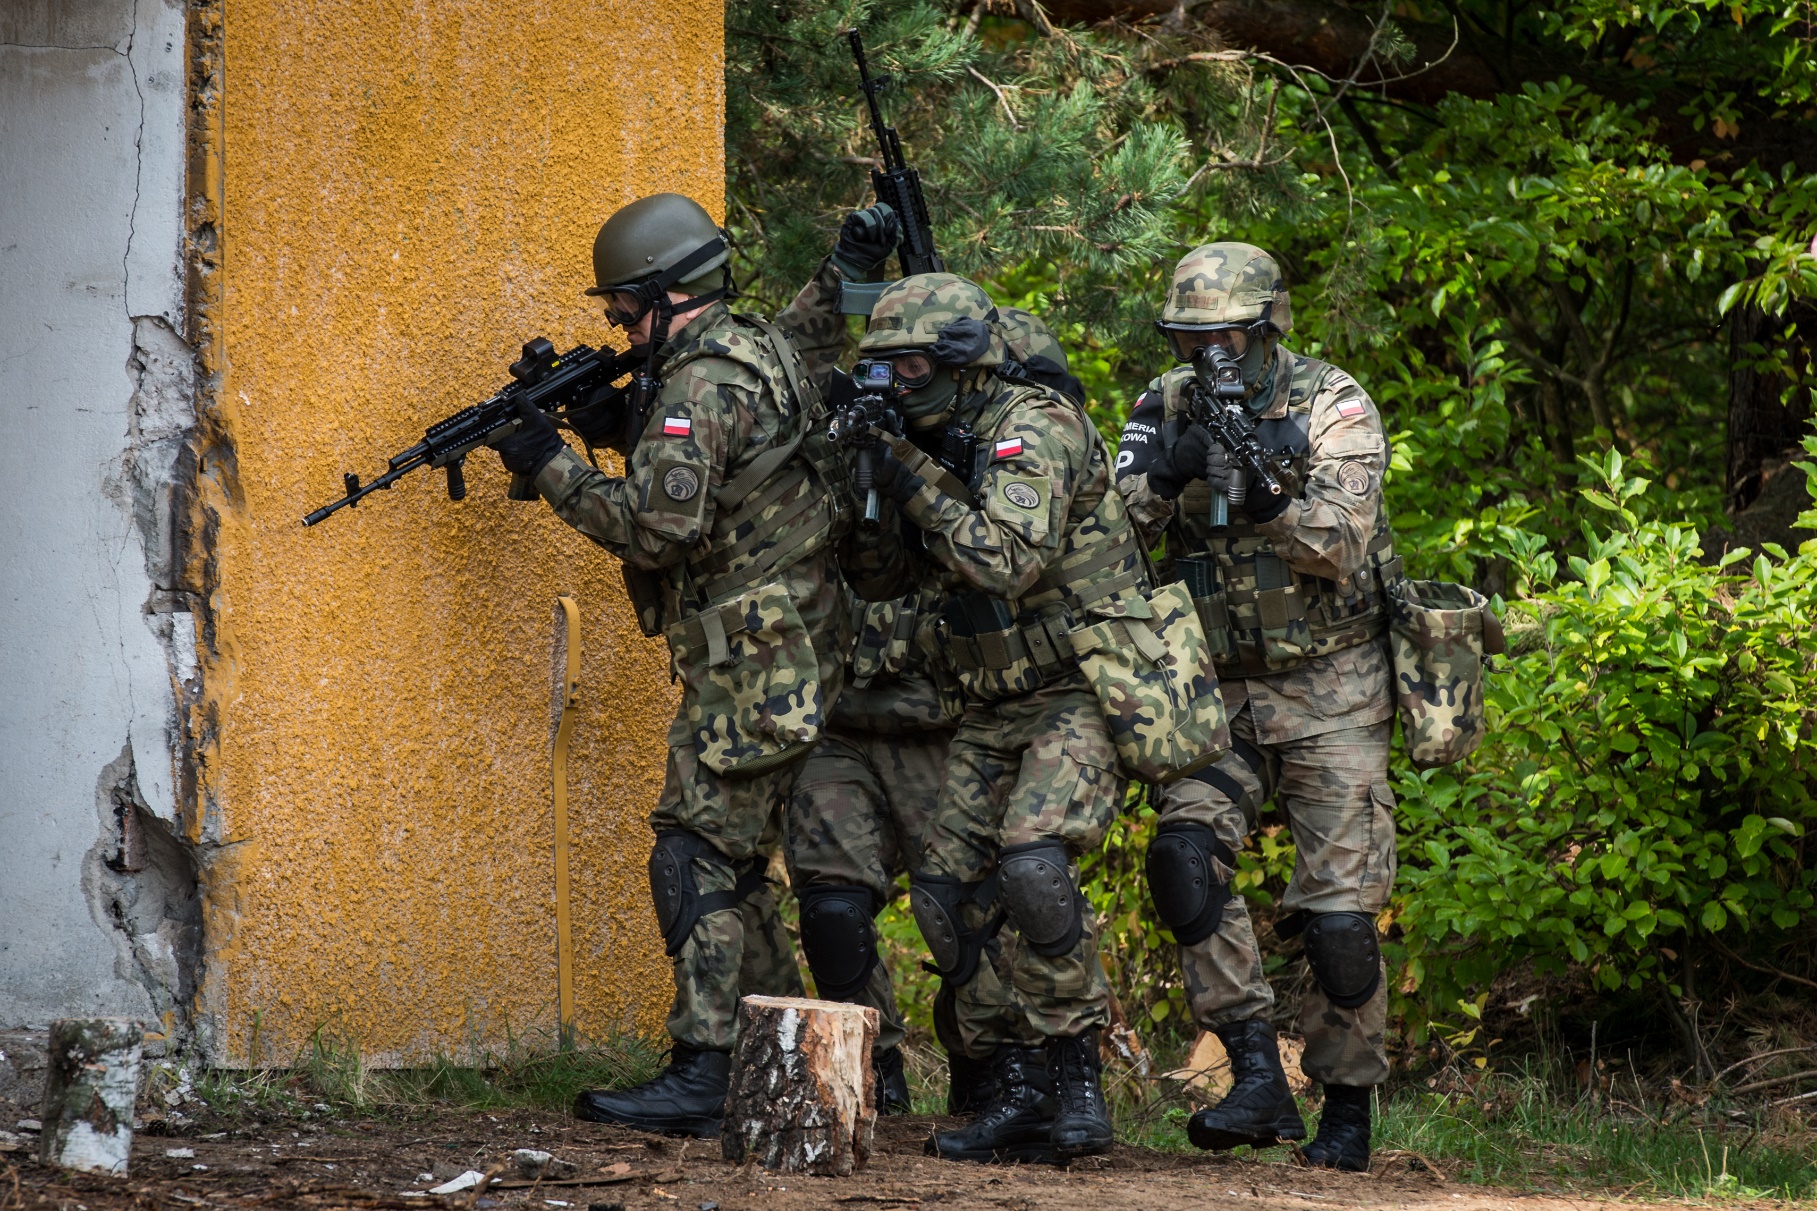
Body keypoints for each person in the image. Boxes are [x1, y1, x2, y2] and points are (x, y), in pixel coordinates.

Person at [490, 192, 852, 1139]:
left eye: (626, 309)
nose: (617, 324)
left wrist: (551, 463)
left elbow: (657, 529)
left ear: (669, 294)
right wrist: (615, 426)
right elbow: (729, 472)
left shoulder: (699, 384)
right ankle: (784, 1063)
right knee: (733, 863)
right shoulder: (756, 345)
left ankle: (702, 1070)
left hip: (755, 659)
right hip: (787, 644)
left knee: (691, 851)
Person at [836, 272, 1149, 1164]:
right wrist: (872, 478)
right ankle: (1016, 1087)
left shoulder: (1031, 424)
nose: (892, 384)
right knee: (943, 899)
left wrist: (908, 471)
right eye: (880, 368)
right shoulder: (926, 435)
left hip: (1080, 684)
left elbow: (1005, 557)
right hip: (989, 698)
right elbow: (883, 580)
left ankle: (1074, 1075)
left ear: (955, 362)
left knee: (1033, 866)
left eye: (906, 367)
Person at [1114, 242, 1401, 1172]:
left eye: (1227, 334)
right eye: (1192, 336)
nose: (1210, 353)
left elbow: (1343, 540)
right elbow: (1097, 536)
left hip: (1333, 685)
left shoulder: (1332, 402)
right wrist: (1164, 478)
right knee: (1182, 860)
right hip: (1214, 685)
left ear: (1268, 326)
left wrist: (1269, 488)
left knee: (1341, 921)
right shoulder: (1162, 404)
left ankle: (1347, 1110)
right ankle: (1253, 1075)